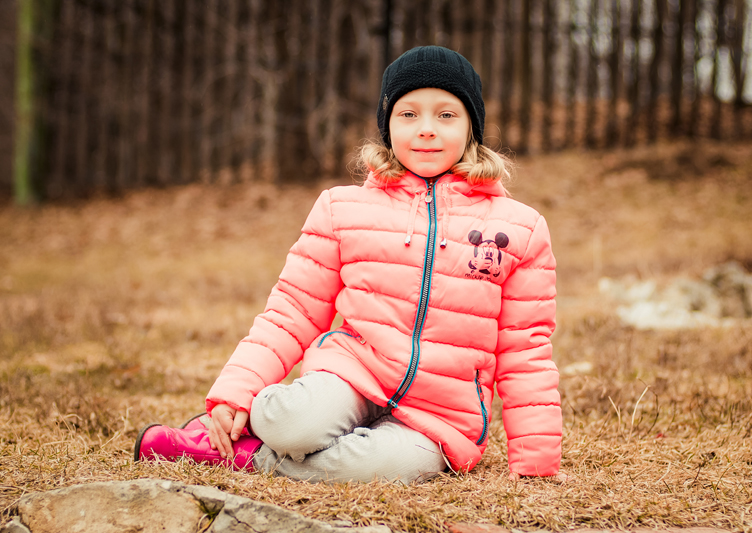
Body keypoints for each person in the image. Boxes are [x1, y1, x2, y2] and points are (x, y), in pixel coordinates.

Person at [135, 45, 561, 484]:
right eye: (408, 114)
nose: (426, 129)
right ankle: (251, 428)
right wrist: (236, 391)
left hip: (438, 416)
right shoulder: (342, 209)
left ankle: (245, 456)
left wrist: (536, 462)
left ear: (472, 126)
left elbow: (525, 349)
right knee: (290, 425)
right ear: (387, 125)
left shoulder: (519, 229)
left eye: (446, 115)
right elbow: (292, 310)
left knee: (388, 468)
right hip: (352, 375)